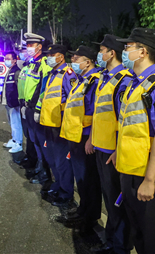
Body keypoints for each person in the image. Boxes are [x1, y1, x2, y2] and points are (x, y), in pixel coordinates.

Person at [111, 28, 155, 254]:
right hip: (131, 169)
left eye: (128, 47)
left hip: (150, 173)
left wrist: (150, 180)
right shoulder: (135, 84)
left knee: (153, 239)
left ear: (143, 52)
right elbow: (130, 128)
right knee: (138, 233)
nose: (124, 50)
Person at [90, 34, 133, 254]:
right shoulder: (105, 77)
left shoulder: (123, 81)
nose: (99, 54)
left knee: (117, 203)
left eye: (102, 50)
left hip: (112, 152)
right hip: (100, 146)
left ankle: (119, 246)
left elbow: (124, 120)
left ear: (111, 53)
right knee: (109, 199)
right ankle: (111, 240)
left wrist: (117, 149)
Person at [59, 45, 102, 231]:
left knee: (89, 180)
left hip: (85, 138)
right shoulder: (81, 80)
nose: (73, 62)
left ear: (88, 61)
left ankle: (90, 217)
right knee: (82, 180)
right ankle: (83, 209)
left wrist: (91, 138)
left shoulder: (94, 80)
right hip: (76, 135)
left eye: (76, 59)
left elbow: (96, 112)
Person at [37, 44, 77, 208]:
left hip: (60, 126)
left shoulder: (68, 75)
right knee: (53, 160)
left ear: (61, 57)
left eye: (52, 54)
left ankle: (66, 194)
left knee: (62, 162)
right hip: (49, 125)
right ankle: (59, 186)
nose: (48, 57)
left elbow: (73, 100)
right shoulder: (53, 74)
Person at [17, 33, 52, 184]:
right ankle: (38, 167)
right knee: (33, 140)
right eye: (28, 45)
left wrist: (37, 109)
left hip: (36, 109)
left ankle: (45, 173)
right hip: (27, 108)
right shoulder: (30, 64)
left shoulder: (43, 65)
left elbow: (43, 90)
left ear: (39, 46)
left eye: (31, 45)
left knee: (40, 142)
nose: (29, 48)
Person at [0, 52, 24, 154]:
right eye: (5, 58)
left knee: (16, 123)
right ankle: (14, 140)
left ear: (14, 60)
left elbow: (20, 88)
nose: (6, 60)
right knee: (12, 122)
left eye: (8, 58)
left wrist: (18, 102)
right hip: (8, 102)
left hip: (14, 103)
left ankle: (18, 143)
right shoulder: (10, 71)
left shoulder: (17, 72)